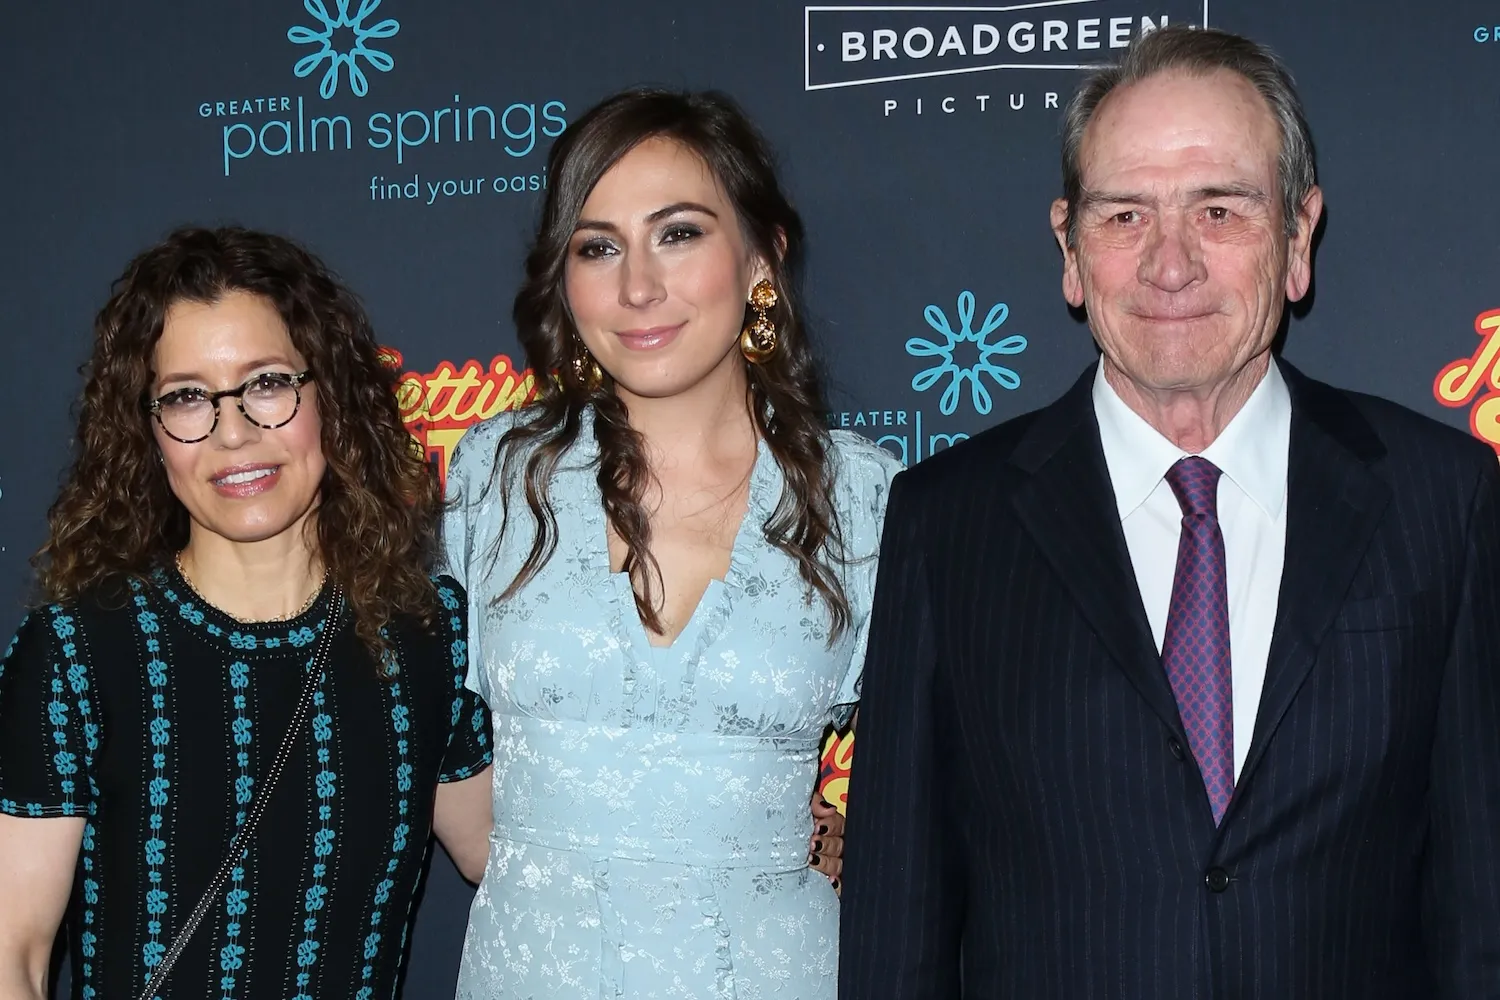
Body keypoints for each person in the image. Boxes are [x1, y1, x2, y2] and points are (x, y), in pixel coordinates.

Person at [839, 24, 1500, 1000]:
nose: (1171, 263)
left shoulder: (1442, 498)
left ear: (1298, 239)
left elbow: (1483, 915)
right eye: (1125, 216)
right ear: (1070, 250)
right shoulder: (948, 524)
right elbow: (898, 930)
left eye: (1219, 211)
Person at [443, 88, 897, 999]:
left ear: (761, 257)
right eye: (598, 247)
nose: (637, 287)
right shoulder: (497, 474)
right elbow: (432, 741)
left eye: (679, 234)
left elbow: (952, 776)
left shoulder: (865, 499)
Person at [0, 226, 496, 1000]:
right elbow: (14, 953)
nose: (232, 433)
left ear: (330, 394)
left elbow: (502, 854)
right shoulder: (77, 652)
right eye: (187, 397)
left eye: (266, 384)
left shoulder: (426, 633)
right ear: (148, 430)